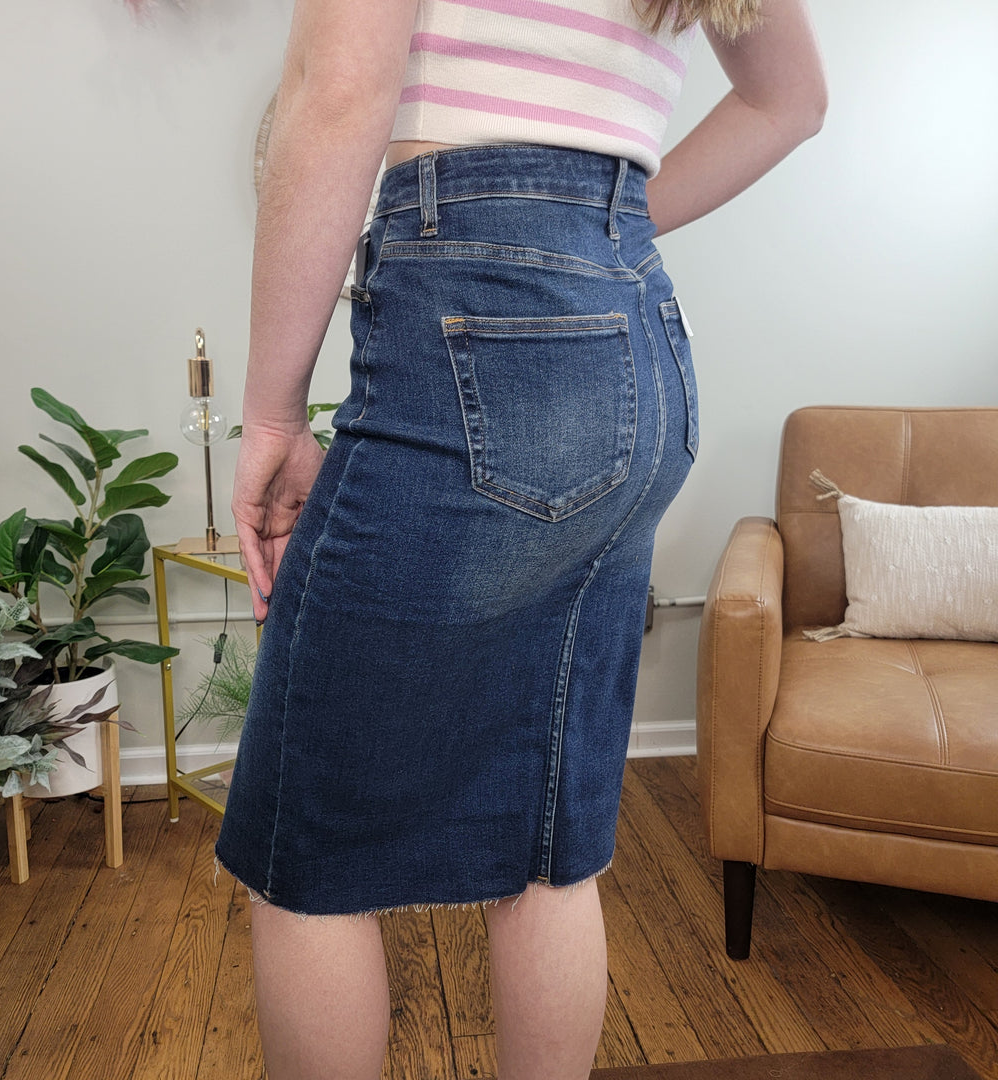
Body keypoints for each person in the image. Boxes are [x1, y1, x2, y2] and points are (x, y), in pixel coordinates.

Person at [216, 2, 826, 1078]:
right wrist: (600, 231)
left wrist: (271, 415)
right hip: (637, 338)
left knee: (307, 842)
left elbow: (338, 91)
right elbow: (793, 100)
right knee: (550, 836)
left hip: (475, 321)